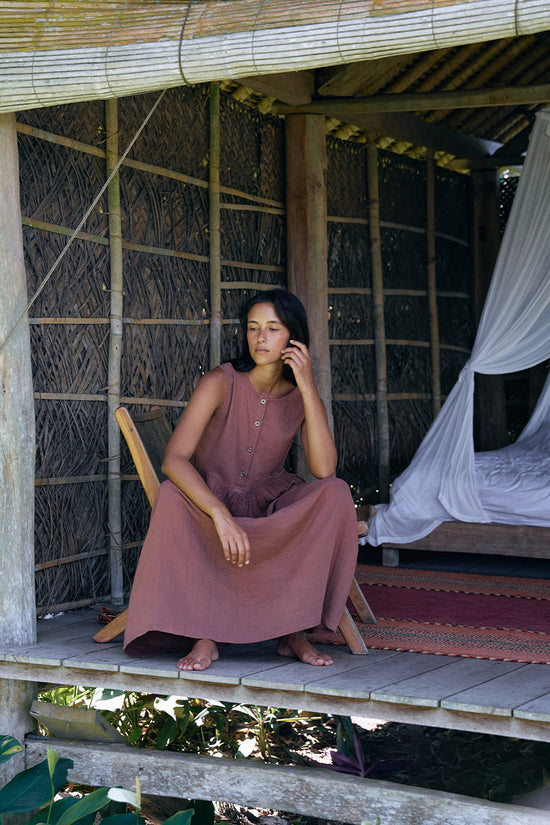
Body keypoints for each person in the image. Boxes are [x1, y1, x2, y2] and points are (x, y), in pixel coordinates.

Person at [123, 289, 359, 671]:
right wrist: (219, 513)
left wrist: (308, 384)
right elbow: (174, 460)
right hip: (208, 508)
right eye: (253, 328)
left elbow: (324, 468)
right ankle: (205, 635)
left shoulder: (301, 394)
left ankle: (294, 632)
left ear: (293, 337)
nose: (260, 339)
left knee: (334, 493)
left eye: (272, 329)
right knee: (170, 495)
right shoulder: (221, 380)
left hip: (267, 509)